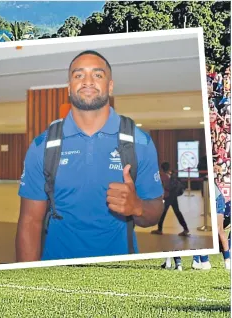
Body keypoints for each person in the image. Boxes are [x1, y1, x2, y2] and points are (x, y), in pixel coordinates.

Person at [16, 50, 164, 261]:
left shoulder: (139, 142)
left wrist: (137, 207)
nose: (87, 81)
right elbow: (30, 222)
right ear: (69, 88)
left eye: (97, 75)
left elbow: (156, 211)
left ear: (110, 86)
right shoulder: (43, 145)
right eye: (78, 75)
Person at [150, 162, 189, 236]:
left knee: (162, 213)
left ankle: (159, 230)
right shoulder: (172, 174)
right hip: (173, 196)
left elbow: (165, 186)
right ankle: (185, 229)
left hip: (167, 196)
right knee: (177, 212)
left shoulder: (164, 176)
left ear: (162, 168)